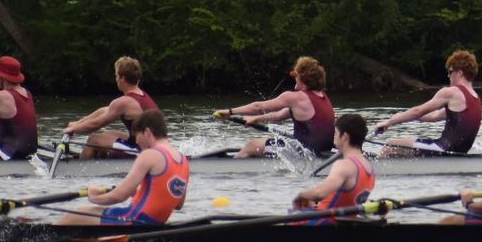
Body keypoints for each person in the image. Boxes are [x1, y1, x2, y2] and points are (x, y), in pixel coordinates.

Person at [56, 109, 189, 226]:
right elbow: (178, 204)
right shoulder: (182, 159)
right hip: (156, 222)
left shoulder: (149, 155)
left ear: (147, 132)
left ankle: (43, 236)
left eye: (137, 136)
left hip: (134, 220)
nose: (136, 142)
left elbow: (119, 196)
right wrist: (138, 193)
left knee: (78, 213)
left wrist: (93, 197)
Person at [219, 56, 335, 158]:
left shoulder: (295, 97)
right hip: (321, 151)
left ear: (302, 77)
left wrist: (230, 112)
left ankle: (229, 172)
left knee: (252, 145)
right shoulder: (322, 96)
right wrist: (255, 119)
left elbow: (258, 107)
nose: (294, 77)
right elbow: (280, 115)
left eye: (296, 75)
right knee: (262, 146)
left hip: (303, 153)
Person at [374, 50, 482, 156]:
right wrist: (400, 117)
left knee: (390, 145)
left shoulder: (451, 92)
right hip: (458, 153)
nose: (448, 76)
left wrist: (389, 122)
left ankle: (372, 170)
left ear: (460, 73)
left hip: (442, 149)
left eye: (450, 72)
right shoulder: (476, 98)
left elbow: (418, 111)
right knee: (402, 150)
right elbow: (434, 115)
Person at [61, 56, 158, 158]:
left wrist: (72, 130)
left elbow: (96, 124)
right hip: (146, 144)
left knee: (93, 140)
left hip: (143, 151)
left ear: (123, 78)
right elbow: (103, 111)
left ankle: (78, 171)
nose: (116, 79)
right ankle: (100, 161)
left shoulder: (124, 102)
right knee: (109, 134)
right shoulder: (141, 95)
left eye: (116, 76)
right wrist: (77, 123)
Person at [286, 114, 375, 225]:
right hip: (346, 221)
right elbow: (345, 199)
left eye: (336, 133)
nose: (334, 136)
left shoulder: (344, 165)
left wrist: (301, 195)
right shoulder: (368, 167)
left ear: (345, 137)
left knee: (292, 215)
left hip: (324, 222)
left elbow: (320, 193)